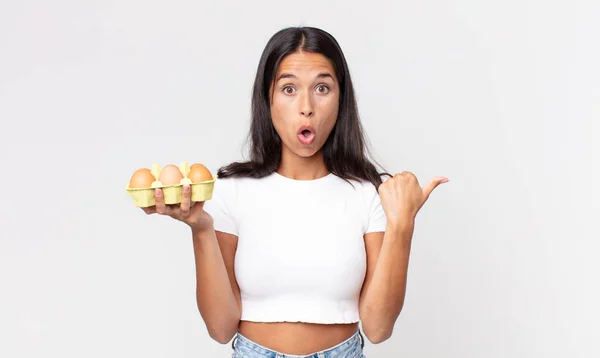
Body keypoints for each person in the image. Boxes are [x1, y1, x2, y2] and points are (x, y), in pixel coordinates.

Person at [142, 26, 448, 357]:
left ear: (341, 98)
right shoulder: (231, 192)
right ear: (267, 99)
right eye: (289, 89)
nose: (306, 107)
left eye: (322, 88)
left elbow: (378, 328)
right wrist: (201, 228)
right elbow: (220, 328)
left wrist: (402, 225)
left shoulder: (368, 194)